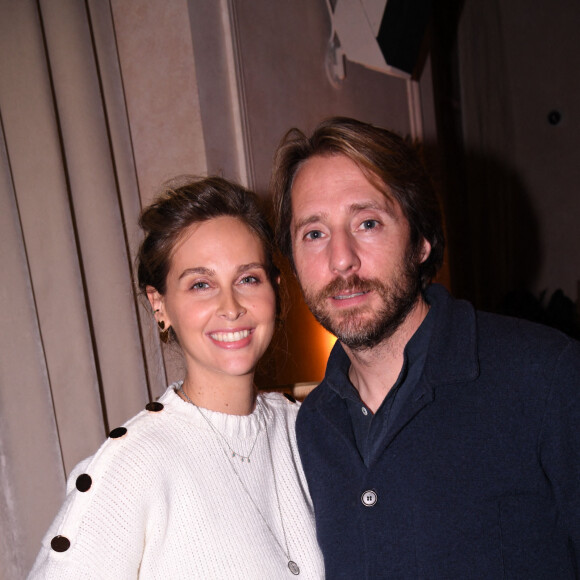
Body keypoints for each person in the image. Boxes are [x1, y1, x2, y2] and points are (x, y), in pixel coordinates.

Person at [271, 117, 580, 579]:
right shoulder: (310, 427)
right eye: (313, 233)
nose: (340, 259)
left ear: (420, 241)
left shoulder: (545, 376)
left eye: (367, 222)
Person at [28, 176, 324, 579]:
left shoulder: (306, 429)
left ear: (274, 289)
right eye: (201, 284)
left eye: (248, 278)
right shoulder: (134, 464)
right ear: (159, 304)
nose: (231, 306)